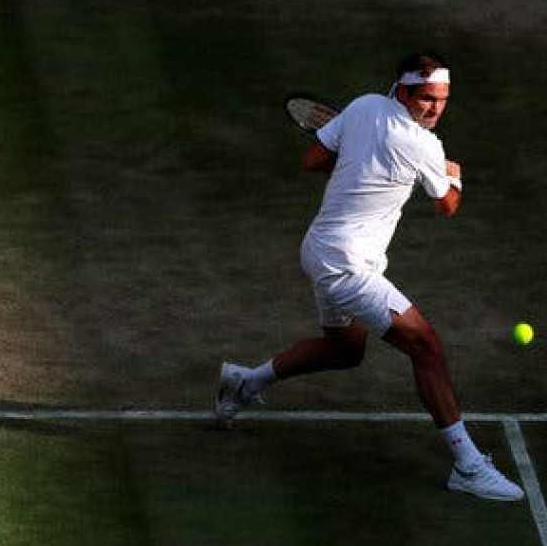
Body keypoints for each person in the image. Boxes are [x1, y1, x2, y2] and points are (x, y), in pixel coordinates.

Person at [215, 51, 523, 501]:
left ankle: (245, 382)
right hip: (346, 264)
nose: (435, 108)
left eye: (442, 99)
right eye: (425, 99)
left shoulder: (362, 106)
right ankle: (468, 466)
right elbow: (446, 206)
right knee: (426, 347)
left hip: (321, 248)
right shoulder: (424, 147)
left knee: (345, 349)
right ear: (402, 90)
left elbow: (313, 160)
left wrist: (361, 159)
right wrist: (454, 177)